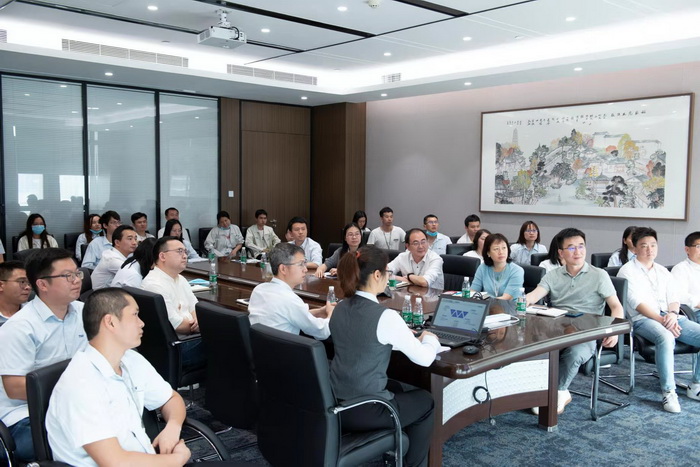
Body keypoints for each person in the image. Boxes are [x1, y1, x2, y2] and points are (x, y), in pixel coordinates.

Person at [46, 288, 192, 466]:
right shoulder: (80, 384)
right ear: (111, 322)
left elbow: (171, 398)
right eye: (135, 315)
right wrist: (177, 459)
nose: (142, 323)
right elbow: (115, 462)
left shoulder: (130, 359)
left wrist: (173, 427)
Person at [331, 245, 439, 467]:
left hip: (334, 403)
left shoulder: (339, 307)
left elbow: (362, 338)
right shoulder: (386, 317)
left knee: (397, 387)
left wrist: (401, 334)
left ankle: (394, 447)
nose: (389, 276)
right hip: (367, 409)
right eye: (387, 272)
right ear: (377, 275)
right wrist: (430, 339)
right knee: (426, 401)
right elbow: (426, 359)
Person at [0, 248, 87, 462]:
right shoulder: (19, 328)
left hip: (74, 404)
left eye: (77, 273)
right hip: (27, 414)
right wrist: (74, 389)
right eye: (67, 276)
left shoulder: (84, 312)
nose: (76, 280)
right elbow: (14, 388)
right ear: (42, 284)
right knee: (82, 443)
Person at [526, 228, 624, 414]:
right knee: (531, 347)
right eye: (571, 248)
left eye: (581, 246)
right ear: (561, 253)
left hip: (586, 332)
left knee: (574, 353)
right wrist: (523, 300)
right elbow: (534, 295)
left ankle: (559, 391)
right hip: (556, 330)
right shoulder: (553, 275)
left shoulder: (599, 275)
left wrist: (614, 331)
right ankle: (536, 390)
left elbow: (616, 306)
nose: (577, 252)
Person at [618, 227, 700, 413]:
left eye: (653, 245)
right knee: (666, 336)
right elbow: (637, 303)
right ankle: (669, 392)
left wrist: (672, 314)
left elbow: (674, 297)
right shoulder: (627, 271)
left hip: (669, 316)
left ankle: (696, 385)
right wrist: (662, 320)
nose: (650, 249)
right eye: (644, 246)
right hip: (642, 320)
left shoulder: (663, 271)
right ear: (634, 248)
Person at [248, 243, 333, 339]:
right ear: (283, 269)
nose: (305, 269)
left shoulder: (259, 290)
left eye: (305, 263)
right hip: (284, 348)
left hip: (261, 347)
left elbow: (290, 315)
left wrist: (319, 311)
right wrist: (331, 314)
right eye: (301, 264)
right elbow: (322, 332)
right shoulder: (290, 300)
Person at [141, 237, 202, 369]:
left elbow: (195, 307)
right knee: (226, 341)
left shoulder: (180, 278)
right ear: (162, 256)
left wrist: (199, 320)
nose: (185, 256)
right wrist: (200, 326)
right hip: (178, 345)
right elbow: (177, 325)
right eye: (179, 251)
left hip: (190, 336)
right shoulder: (154, 284)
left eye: (185, 252)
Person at [471, 233, 523, 299]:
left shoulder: (517, 271)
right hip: (486, 304)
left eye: (504, 248)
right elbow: (473, 291)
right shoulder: (483, 268)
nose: (501, 252)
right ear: (488, 253)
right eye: (496, 249)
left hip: (508, 304)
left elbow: (506, 298)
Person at [91, 225, 138, 290]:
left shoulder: (117, 253)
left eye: (135, 239)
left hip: (113, 292)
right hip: (102, 294)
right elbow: (134, 274)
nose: (134, 243)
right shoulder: (112, 259)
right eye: (130, 239)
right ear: (117, 242)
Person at [671, 231, 700, 320]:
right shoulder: (680, 269)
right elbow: (680, 295)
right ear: (687, 249)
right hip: (696, 312)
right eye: (698, 246)